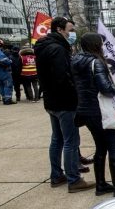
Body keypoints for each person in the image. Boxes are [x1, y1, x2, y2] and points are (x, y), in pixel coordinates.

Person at [34, 18, 95, 192]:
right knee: (70, 141)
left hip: (51, 101)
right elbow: (63, 78)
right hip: (64, 102)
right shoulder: (58, 49)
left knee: (57, 139)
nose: (73, 33)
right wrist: (76, 92)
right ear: (59, 30)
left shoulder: (44, 48)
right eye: (71, 29)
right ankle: (74, 179)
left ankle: (56, 175)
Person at [71, 32, 115, 197]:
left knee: (100, 147)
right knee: (113, 147)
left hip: (86, 111)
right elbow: (106, 88)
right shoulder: (96, 62)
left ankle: (101, 184)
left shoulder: (76, 62)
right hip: (102, 111)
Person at [0, 39, 16, 105]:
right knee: (8, 84)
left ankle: (4, 98)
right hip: (3, 70)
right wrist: (10, 61)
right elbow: (4, 60)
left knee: (1, 84)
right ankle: (8, 99)